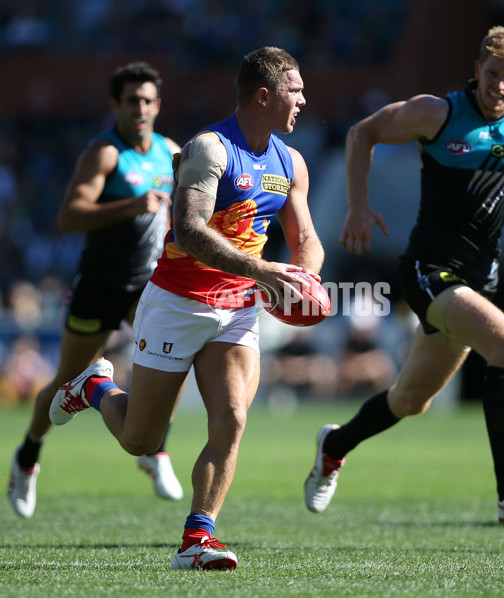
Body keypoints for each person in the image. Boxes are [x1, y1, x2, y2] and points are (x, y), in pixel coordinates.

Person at [49, 46, 324, 571]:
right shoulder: (209, 149)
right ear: (264, 95)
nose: (304, 101)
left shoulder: (291, 162)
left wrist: (303, 277)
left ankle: (198, 537)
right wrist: (263, 270)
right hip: (177, 302)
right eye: (296, 90)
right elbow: (193, 232)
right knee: (141, 439)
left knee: (233, 417)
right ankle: (96, 387)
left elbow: (305, 236)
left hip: (239, 307)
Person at [304, 26, 504, 526]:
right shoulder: (438, 112)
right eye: (490, 74)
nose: (498, 85)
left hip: (477, 278)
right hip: (429, 270)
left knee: (410, 400)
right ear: (477, 70)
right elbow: (361, 132)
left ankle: (333, 446)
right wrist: (358, 208)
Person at [8, 62, 184, 519]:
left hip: (150, 284)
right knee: (66, 379)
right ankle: (27, 458)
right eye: (132, 100)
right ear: (116, 105)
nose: (141, 108)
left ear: (158, 105)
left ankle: (155, 450)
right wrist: (131, 205)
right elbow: (69, 217)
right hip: (101, 283)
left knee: (176, 356)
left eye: (148, 100)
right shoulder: (105, 154)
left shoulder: (171, 151)